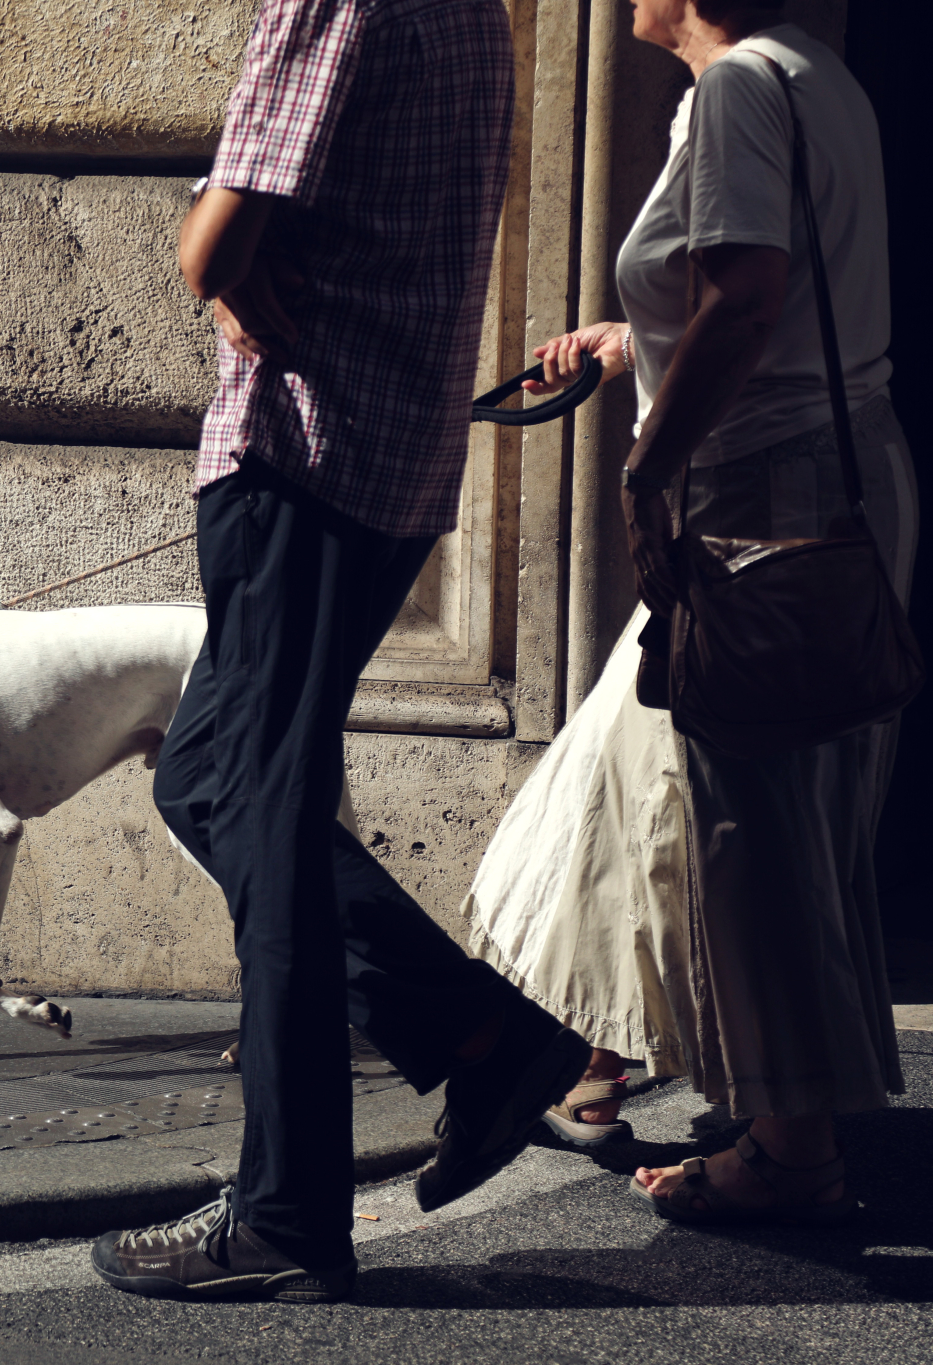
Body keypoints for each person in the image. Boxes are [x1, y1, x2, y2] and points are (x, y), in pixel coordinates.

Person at [87, 0, 591, 1305]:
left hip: (300, 456)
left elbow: (215, 248)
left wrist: (215, 227)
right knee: (213, 780)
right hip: (391, 465)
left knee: (258, 810)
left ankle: (290, 1209)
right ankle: (477, 1036)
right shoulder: (478, 11)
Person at [465, 0, 911, 1223]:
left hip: (760, 506)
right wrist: (629, 341)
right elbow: (762, 297)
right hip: (808, 487)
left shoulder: (734, 93)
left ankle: (792, 1153)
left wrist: (649, 460)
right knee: (623, 782)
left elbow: (752, 297)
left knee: (748, 827)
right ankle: (602, 1059)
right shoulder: (809, 75)